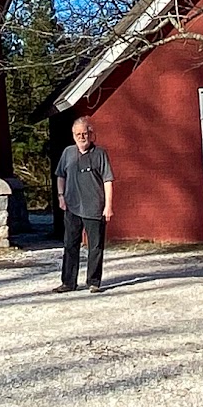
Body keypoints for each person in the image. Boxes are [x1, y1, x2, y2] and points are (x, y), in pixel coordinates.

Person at [54, 114, 113, 292]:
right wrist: (61, 196)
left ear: (90, 134)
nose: (81, 137)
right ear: (73, 135)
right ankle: (68, 282)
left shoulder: (100, 154)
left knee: (95, 247)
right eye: (78, 134)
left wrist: (108, 206)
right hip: (72, 207)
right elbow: (60, 175)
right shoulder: (68, 153)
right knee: (70, 245)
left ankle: (94, 282)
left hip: (95, 208)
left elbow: (107, 180)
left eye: (85, 133)